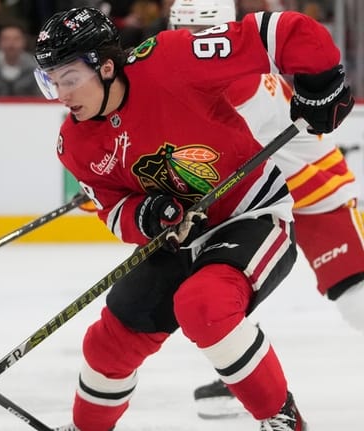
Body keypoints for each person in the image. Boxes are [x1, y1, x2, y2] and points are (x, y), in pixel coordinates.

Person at [33, 6, 352, 431]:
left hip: (250, 212)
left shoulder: (171, 60)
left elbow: (281, 30)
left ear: (106, 67)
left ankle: (283, 420)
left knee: (204, 305)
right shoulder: (74, 142)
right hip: (179, 238)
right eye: (50, 82)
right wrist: (144, 217)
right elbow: (112, 210)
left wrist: (322, 81)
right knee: (111, 337)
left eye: (68, 79)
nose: (62, 95)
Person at [168, 0, 364, 420]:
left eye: (203, 35)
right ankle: (240, 374)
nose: (194, 44)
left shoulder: (242, 84)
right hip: (258, 201)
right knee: (218, 293)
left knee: (356, 299)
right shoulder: (196, 76)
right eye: (183, 34)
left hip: (312, 192)